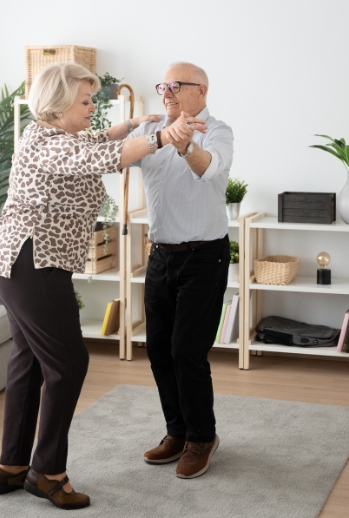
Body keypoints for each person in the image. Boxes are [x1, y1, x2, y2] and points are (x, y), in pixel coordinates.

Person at [0, 62, 198, 510]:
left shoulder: (46, 136)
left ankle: (11, 466)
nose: (91, 109)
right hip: (34, 262)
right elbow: (95, 157)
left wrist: (130, 126)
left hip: (14, 259)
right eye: (85, 102)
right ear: (59, 104)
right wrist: (162, 136)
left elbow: (91, 143)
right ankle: (48, 472)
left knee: (29, 360)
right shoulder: (50, 144)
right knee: (68, 363)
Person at [129, 62, 234, 479]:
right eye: (163, 85)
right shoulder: (150, 130)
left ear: (201, 91)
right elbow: (116, 159)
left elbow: (209, 170)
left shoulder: (218, 131)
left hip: (204, 257)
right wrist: (152, 133)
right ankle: (177, 432)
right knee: (158, 350)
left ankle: (202, 437)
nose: (166, 92)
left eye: (176, 85)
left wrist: (184, 144)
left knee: (186, 351)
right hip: (161, 257)